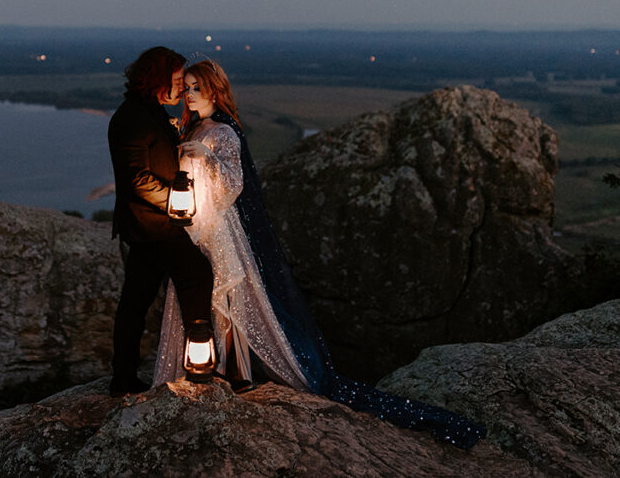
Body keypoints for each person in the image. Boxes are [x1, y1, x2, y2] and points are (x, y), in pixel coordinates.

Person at [153, 59, 487, 449]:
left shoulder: (224, 132)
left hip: (223, 228)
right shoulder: (193, 126)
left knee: (227, 296)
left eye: (196, 87)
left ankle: (232, 368)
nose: (189, 95)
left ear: (213, 89)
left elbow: (233, 186)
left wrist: (206, 157)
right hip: (199, 225)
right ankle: (206, 364)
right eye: (187, 87)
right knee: (201, 294)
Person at [107, 47, 215, 397]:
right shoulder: (132, 119)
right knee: (196, 274)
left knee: (136, 301)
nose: (182, 89)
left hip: (151, 225)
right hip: (152, 226)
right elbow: (136, 180)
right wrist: (177, 201)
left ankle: (124, 378)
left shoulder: (149, 112)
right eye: (177, 81)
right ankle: (199, 364)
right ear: (155, 80)